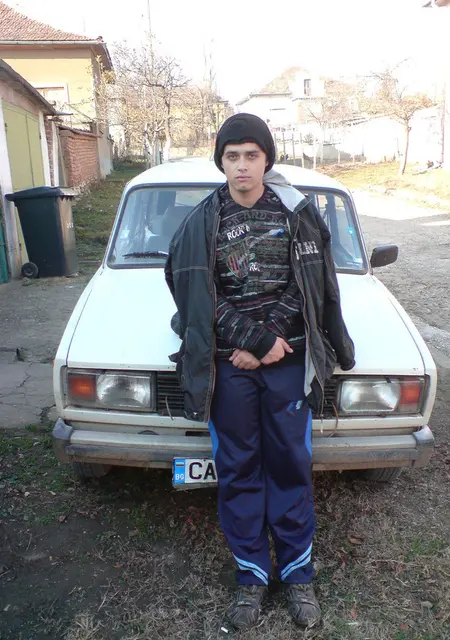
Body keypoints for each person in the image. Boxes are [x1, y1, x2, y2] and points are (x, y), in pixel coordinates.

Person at [165, 113, 355, 631]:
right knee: (239, 468)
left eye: (252, 155)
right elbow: (196, 297)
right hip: (230, 365)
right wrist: (252, 341)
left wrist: (270, 339)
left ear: (267, 159)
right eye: (232, 156)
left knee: (291, 464)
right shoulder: (202, 222)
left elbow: (310, 284)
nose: (242, 166)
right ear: (221, 162)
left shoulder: (296, 213)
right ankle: (251, 576)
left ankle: (297, 575)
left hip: (287, 360)